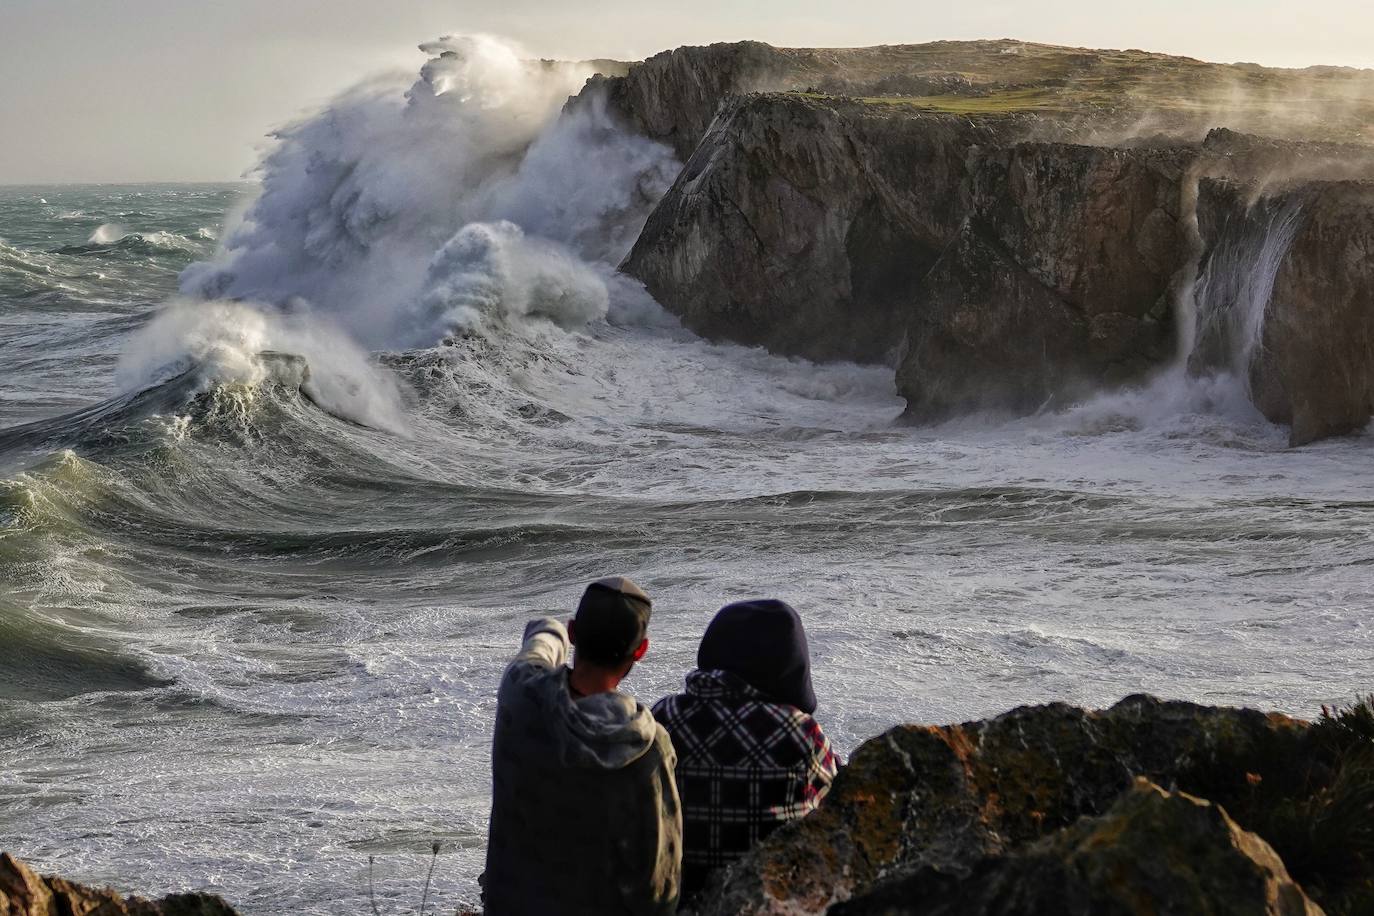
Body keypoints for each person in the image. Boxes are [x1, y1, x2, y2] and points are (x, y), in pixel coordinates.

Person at [481, 577, 682, 915]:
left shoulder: (522, 696)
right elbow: (659, 883)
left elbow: (539, 641)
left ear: (575, 632)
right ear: (641, 650)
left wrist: (553, 629)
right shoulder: (648, 745)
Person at [653, 599, 840, 901]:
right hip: (763, 898)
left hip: (676, 898)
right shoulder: (799, 733)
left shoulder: (665, 717)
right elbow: (838, 801)